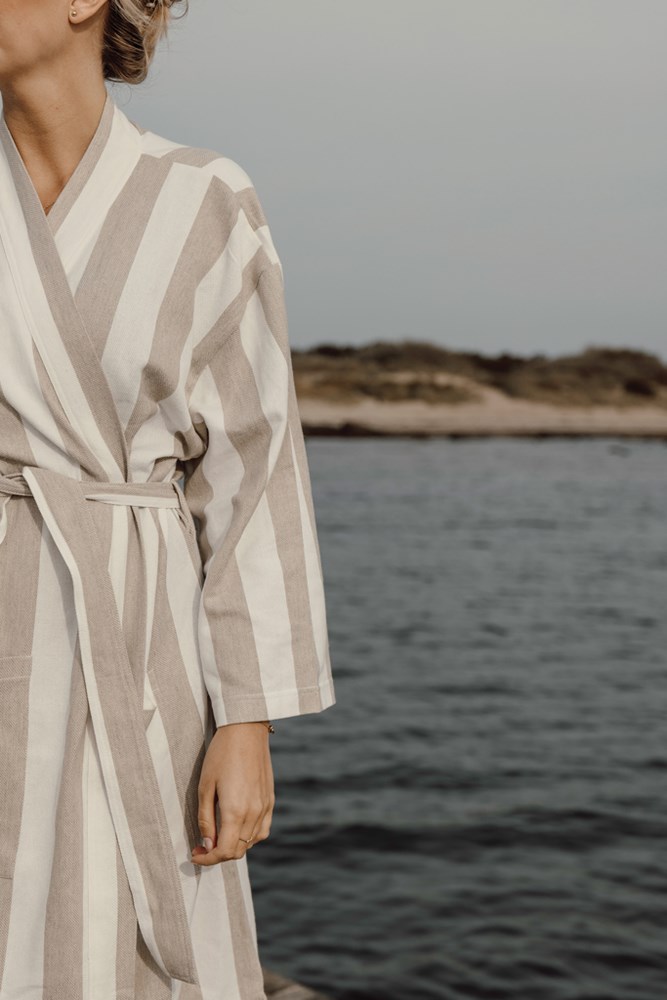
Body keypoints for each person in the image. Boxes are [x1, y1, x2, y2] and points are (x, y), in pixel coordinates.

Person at [0, 0, 336, 997]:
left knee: (123, 932)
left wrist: (247, 721)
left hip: (144, 642)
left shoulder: (203, 200)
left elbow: (252, 470)